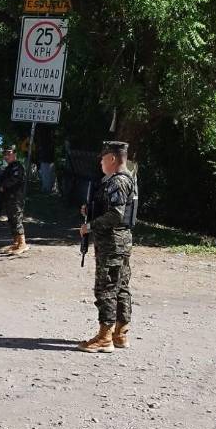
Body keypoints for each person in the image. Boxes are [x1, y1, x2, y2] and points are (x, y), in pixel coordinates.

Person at [77, 141, 138, 353]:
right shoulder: (122, 180)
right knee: (120, 286)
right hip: (119, 241)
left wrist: (90, 226)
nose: (101, 162)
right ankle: (119, 334)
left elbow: (116, 214)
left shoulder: (118, 182)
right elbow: (111, 208)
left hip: (112, 242)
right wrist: (92, 209)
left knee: (106, 287)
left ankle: (105, 337)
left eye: (103, 158)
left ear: (112, 158)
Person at [0, 145, 28, 254]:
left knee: (17, 220)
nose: (6, 156)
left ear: (15, 154)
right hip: (8, 198)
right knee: (11, 220)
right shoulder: (8, 167)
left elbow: (15, 179)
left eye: (9, 154)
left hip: (16, 198)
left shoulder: (17, 167)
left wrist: (3, 186)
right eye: (5, 154)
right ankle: (16, 243)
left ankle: (22, 243)